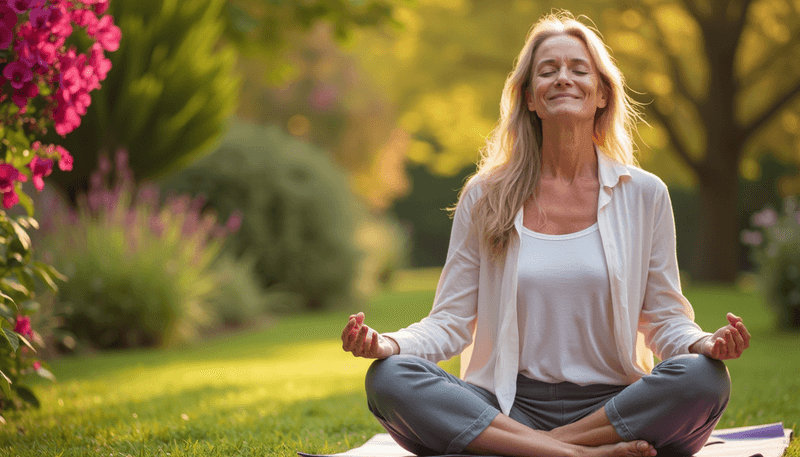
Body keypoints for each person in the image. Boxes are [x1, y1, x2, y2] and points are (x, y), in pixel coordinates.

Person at [340, 11, 750, 457]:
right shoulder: (486, 195)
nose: (563, 79)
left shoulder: (645, 195)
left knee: (703, 376)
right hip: (508, 404)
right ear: (530, 98)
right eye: (547, 70)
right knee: (389, 377)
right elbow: (450, 321)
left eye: (578, 69)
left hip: (613, 407)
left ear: (601, 94)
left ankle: (528, 450)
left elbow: (664, 319)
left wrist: (704, 343)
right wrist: (389, 344)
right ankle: (578, 455)